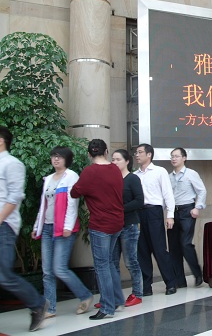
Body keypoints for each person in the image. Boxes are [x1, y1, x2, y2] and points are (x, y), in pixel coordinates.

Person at [33, 146, 93, 318]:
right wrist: (37, 227)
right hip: (47, 227)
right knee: (47, 271)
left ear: (67, 159)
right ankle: (50, 308)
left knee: (59, 268)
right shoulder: (49, 179)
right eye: (54, 156)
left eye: (59, 156)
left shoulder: (71, 176)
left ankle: (85, 295)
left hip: (63, 228)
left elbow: (73, 204)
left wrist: (67, 226)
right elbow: (43, 206)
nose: (56, 159)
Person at [0, 126, 49, 331]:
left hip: (4, 225)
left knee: (3, 275)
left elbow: (14, 197)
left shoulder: (12, 164)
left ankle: (38, 304)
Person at [71, 139, 125, 320]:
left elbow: (75, 192)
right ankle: (117, 300)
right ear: (106, 152)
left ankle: (108, 307)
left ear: (89, 154)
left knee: (102, 266)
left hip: (101, 224)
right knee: (109, 263)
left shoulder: (89, 172)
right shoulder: (115, 170)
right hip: (117, 222)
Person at [134, 144, 177, 296]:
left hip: (154, 212)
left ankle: (170, 283)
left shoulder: (160, 171)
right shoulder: (135, 175)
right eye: (136, 152)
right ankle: (146, 287)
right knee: (142, 251)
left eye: (140, 152)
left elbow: (168, 194)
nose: (137, 155)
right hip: (138, 213)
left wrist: (170, 215)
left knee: (159, 250)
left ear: (149, 155)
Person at [168, 147, 206, 288]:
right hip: (173, 212)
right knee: (173, 247)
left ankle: (197, 273)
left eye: (176, 156)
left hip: (187, 211)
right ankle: (180, 280)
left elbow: (202, 191)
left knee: (185, 243)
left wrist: (197, 207)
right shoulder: (169, 176)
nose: (174, 159)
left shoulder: (191, 173)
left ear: (184, 158)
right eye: (172, 156)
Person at [111, 149, 144, 307]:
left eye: (118, 159)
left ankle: (137, 293)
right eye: (113, 159)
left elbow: (139, 201)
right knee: (112, 262)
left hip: (129, 224)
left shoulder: (133, 178)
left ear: (127, 161)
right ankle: (114, 296)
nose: (114, 162)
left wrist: (120, 209)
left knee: (130, 261)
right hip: (113, 225)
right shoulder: (112, 179)